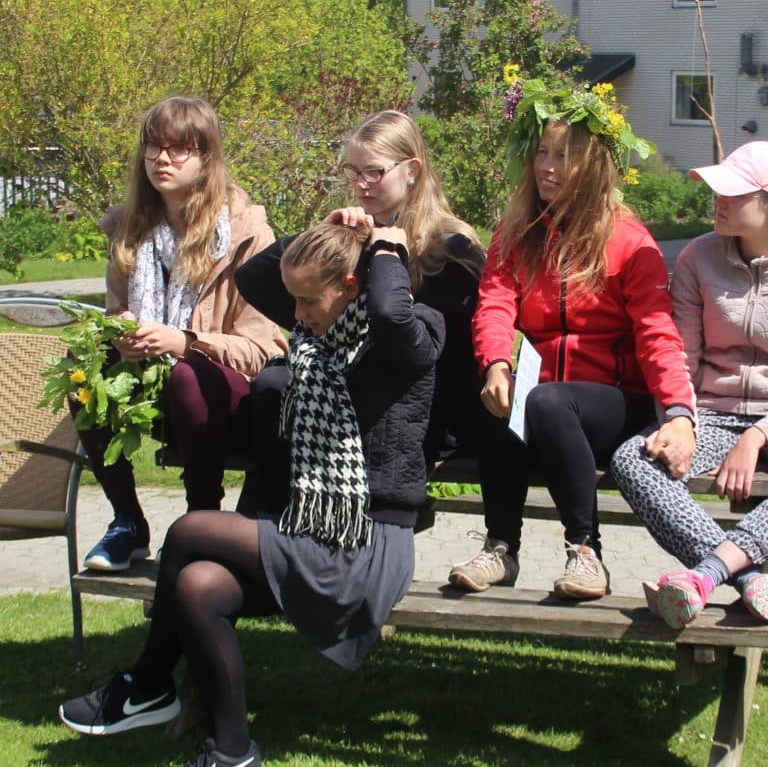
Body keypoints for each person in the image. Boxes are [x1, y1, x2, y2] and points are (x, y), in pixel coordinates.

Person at [57, 219, 440, 767]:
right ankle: (232, 755)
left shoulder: (410, 334)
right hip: (308, 533)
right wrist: (326, 227)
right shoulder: (321, 337)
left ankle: (147, 683)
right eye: (296, 303)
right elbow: (258, 275)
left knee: (189, 530)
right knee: (198, 586)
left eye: (309, 301)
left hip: (363, 546)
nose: (298, 316)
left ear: (350, 285)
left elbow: (388, 311)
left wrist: (386, 246)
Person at [447, 77, 692, 600]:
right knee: (503, 399)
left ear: (594, 166)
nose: (547, 167)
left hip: (615, 400)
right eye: (542, 152)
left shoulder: (631, 242)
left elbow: (657, 333)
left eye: (563, 156)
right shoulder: (516, 231)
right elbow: (495, 303)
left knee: (548, 401)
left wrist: (678, 412)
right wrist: (496, 365)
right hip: (546, 400)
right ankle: (500, 548)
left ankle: (585, 552)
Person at [609, 141, 768, 628]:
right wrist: (681, 420)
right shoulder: (697, 258)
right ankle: (749, 580)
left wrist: (758, 436)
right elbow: (679, 359)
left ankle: (706, 575)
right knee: (633, 461)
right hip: (712, 413)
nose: (718, 200)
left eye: (734, 193)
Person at [238, 110, 483, 512]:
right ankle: (268, 525)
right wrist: (321, 233)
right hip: (360, 391)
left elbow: (433, 352)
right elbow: (253, 280)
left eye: (373, 172)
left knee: (284, 389)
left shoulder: (450, 250)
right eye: (353, 172)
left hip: (426, 412)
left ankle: (285, 526)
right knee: (274, 387)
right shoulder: (358, 238)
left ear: (411, 170)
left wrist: (386, 257)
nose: (360, 184)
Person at [79, 97, 285, 574]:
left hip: (227, 400)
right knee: (83, 374)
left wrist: (184, 342)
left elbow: (264, 351)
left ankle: (201, 522)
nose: (162, 160)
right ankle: (128, 524)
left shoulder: (247, 233)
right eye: (152, 147)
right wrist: (122, 336)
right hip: (152, 390)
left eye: (178, 149)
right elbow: (116, 313)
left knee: (188, 374)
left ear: (207, 157)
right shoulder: (129, 228)